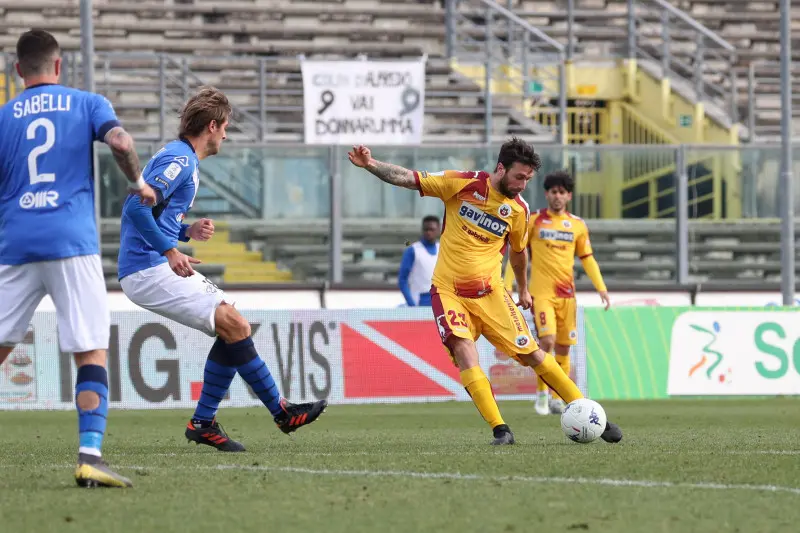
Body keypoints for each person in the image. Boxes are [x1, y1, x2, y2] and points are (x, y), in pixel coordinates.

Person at [348, 137, 622, 445]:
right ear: (501, 168)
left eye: (528, 179)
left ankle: (588, 412)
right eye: (519, 176)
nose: (522, 184)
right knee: (466, 353)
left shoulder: (519, 210)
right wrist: (371, 164)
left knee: (533, 353)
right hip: (449, 291)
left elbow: (519, 253)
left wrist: (523, 290)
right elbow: (409, 178)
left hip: (493, 293)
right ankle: (500, 429)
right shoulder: (461, 184)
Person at [118, 86, 327, 453]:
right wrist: (170, 250)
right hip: (146, 268)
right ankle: (280, 411)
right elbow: (135, 208)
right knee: (235, 324)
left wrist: (185, 231)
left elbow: (152, 210)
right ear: (212, 126)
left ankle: (204, 423)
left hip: (149, 264)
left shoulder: (179, 157)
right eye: (226, 126)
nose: (227, 135)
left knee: (233, 326)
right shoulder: (180, 161)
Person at [0, 29, 157, 488]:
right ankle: (90, 456)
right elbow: (123, 144)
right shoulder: (86, 103)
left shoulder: (5, 116)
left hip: (15, 243)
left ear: (17, 71)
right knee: (90, 349)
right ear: (59, 65)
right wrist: (138, 182)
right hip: (71, 241)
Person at [525, 171, 610, 415]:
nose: (558, 196)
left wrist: (601, 288)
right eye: (553, 192)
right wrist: (512, 284)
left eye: (562, 192)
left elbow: (587, 258)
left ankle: (555, 397)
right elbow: (518, 253)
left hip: (567, 296)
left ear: (569, 196)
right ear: (546, 194)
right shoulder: (534, 221)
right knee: (547, 341)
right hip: (541, 293)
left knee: (563, 348)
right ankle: (541, 394)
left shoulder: (577, 225)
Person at [398, 215, 440, 307]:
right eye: (426, 229)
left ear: (438, 230)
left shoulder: (443, 249)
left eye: (432, 229)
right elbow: (402, 280)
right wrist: (411, 304)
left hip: (440, 299)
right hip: (420, 300)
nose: (428, 232)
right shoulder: (413, 250)